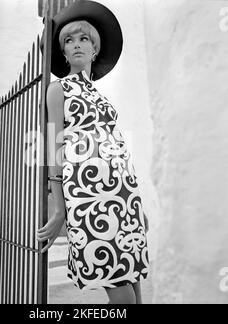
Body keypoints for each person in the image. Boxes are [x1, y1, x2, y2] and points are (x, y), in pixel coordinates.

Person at [37, 0, 149, 304]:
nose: (76, 45)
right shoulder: (59, 89)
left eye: (83, 38)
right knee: (117, 284)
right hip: (88, 197)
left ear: (95, 48)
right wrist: (59, 209)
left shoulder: (100, 95)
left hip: (123, 196)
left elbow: (118, 148)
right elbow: (53, 147)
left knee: (132, 280)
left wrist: (136, 202)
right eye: (68, 40)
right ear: (62, 52)